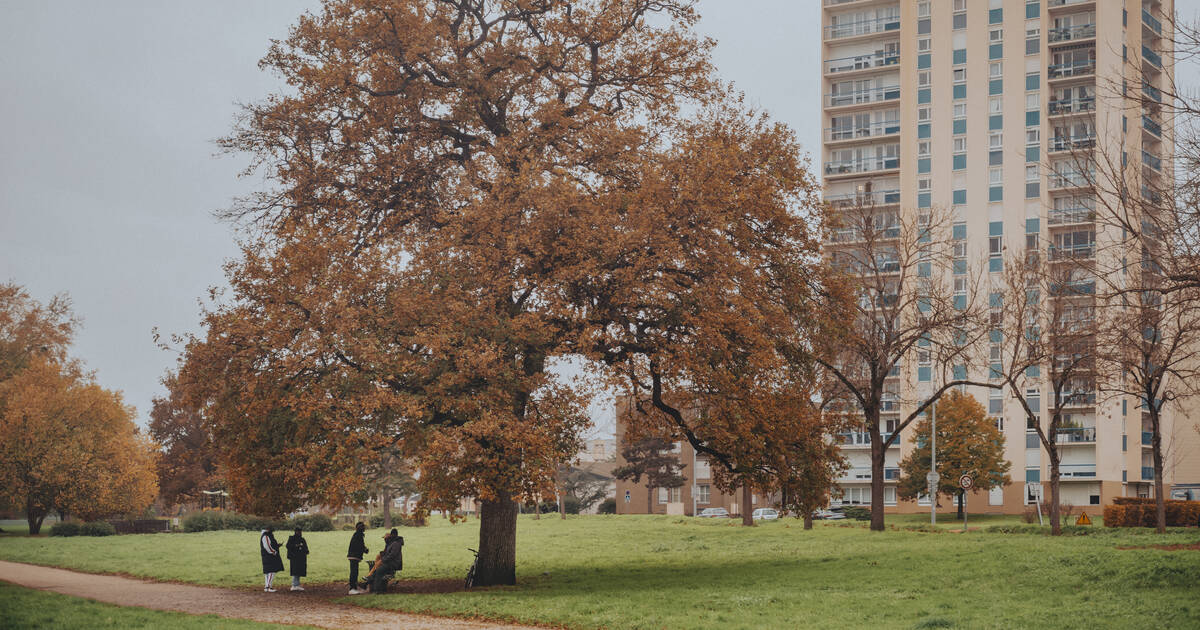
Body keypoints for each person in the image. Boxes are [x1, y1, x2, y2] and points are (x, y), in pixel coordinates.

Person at [369, 528, 404, 594]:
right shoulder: (391, 543)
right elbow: (387, 553)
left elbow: (392, 555)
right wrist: (381, 555)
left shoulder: (396, 544)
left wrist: (382, 560)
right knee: (376, 570)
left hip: (393, 563)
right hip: (389, 562)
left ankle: (377, 590)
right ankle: (368, 584)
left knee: (379, 570)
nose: (385, 540)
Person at [259, 527, 284, 592]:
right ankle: (269, 586)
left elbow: (270, 545)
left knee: (267, 571)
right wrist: (274, 552)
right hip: (269, 555)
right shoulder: (266, 536)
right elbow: (267, 546)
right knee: (272, 571)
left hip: (266, 555)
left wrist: (277, 545)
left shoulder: (265, 535)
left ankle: (267, 586)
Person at [346, 521, 368, 595]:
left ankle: (354, 587)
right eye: (363, 527)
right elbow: (360, 546)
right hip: (354, 556)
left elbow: (360, 545)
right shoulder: (358, 535)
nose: (364, 528)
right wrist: (365, 550)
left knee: (354, 572)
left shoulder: (357, 535)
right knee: (354, 572)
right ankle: (352, 588)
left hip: (353, 556)